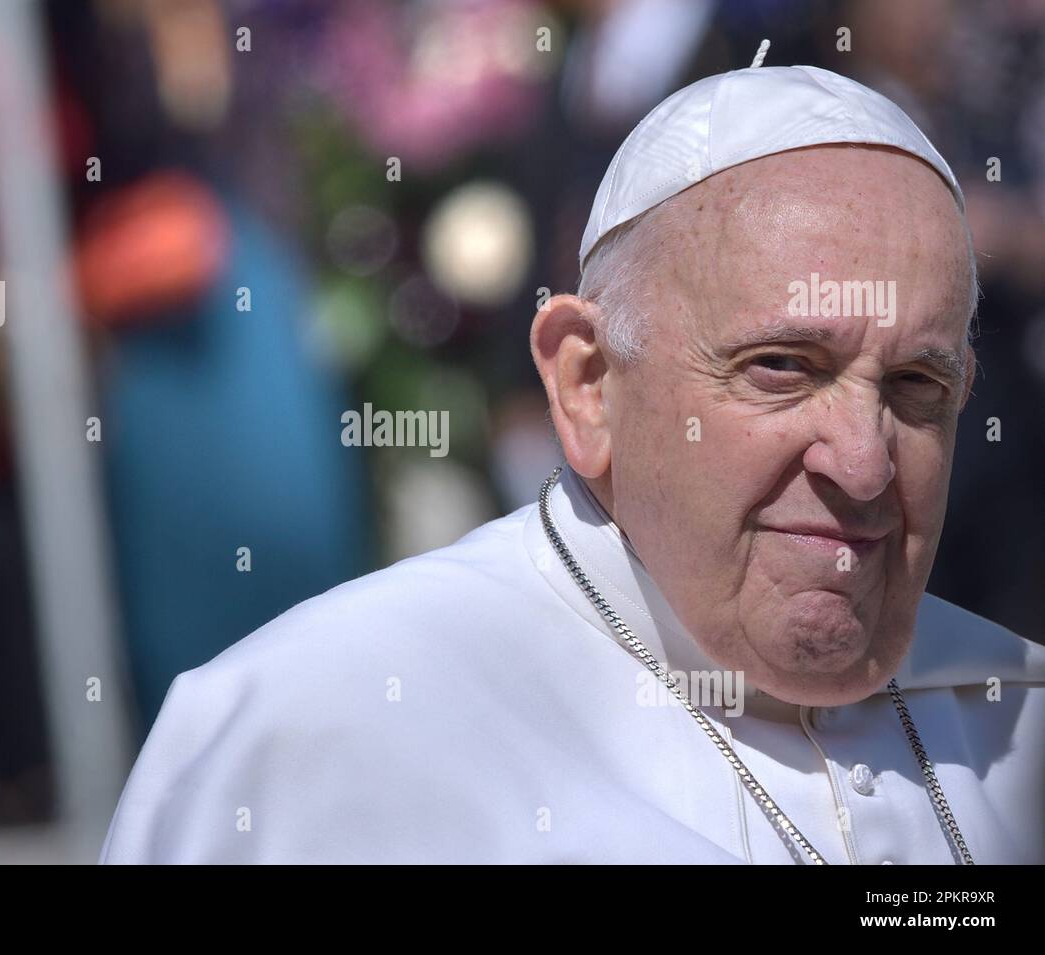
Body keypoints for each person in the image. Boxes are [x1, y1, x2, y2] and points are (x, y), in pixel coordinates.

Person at [100, 55, 1045, 865]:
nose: (866, 464)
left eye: (919, 385)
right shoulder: (317, 732)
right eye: (783, 368)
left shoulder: (1020, 720)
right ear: (588, 385)